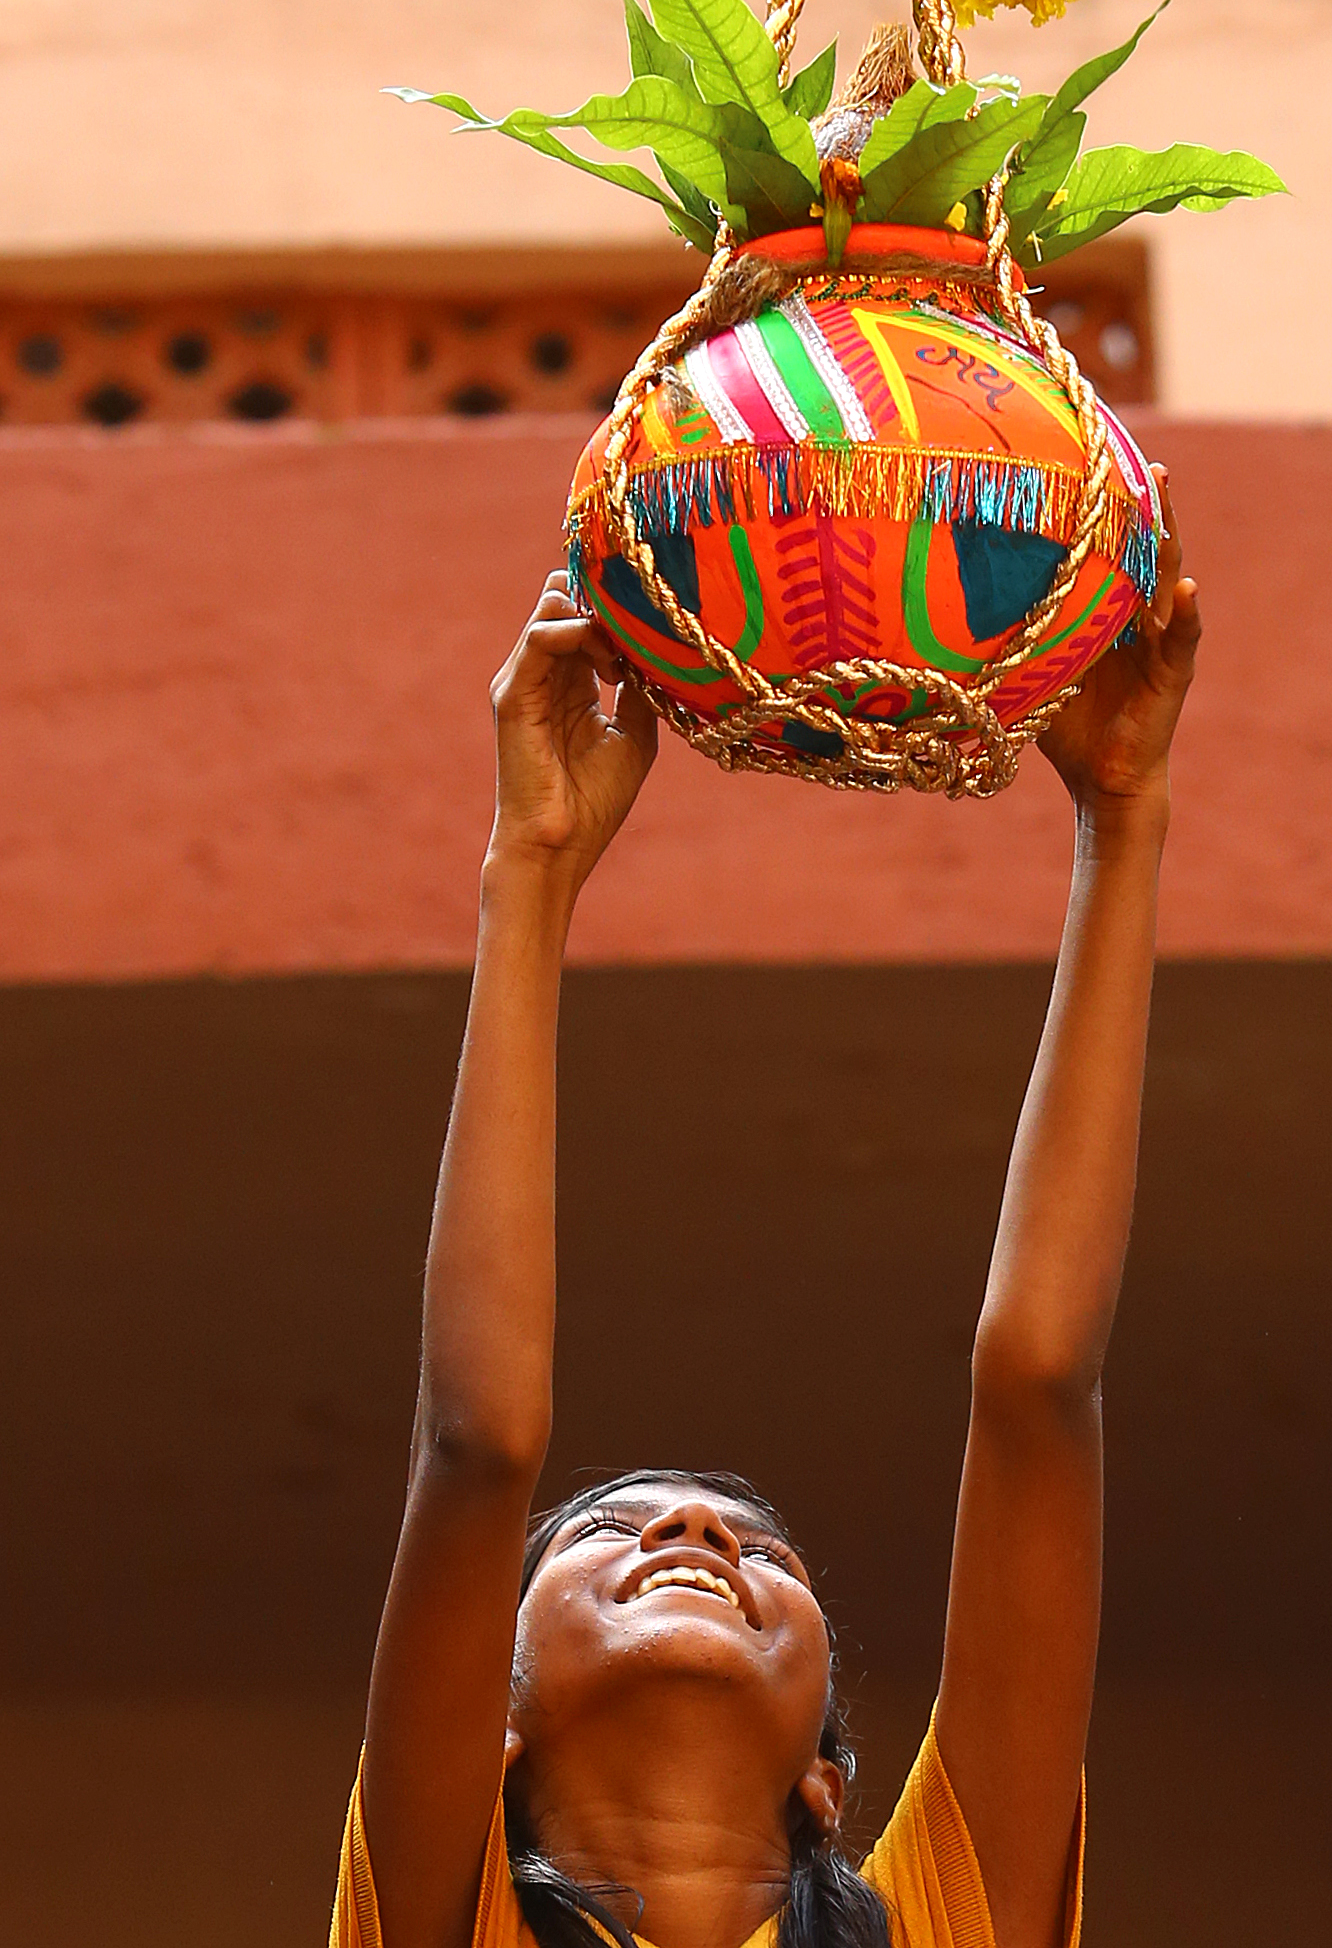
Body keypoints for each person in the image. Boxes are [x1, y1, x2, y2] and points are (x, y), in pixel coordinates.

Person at [330, 473, 1201, 1948]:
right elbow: (476, 1446)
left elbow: (1038, 1368)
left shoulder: (927, 1923)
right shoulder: (436, 1915)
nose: (690, 1526)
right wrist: (527, 864)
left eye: (765, 1552)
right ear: (491, 1726)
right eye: (599, 1531)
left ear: (823, 1781)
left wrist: (1124, 810)